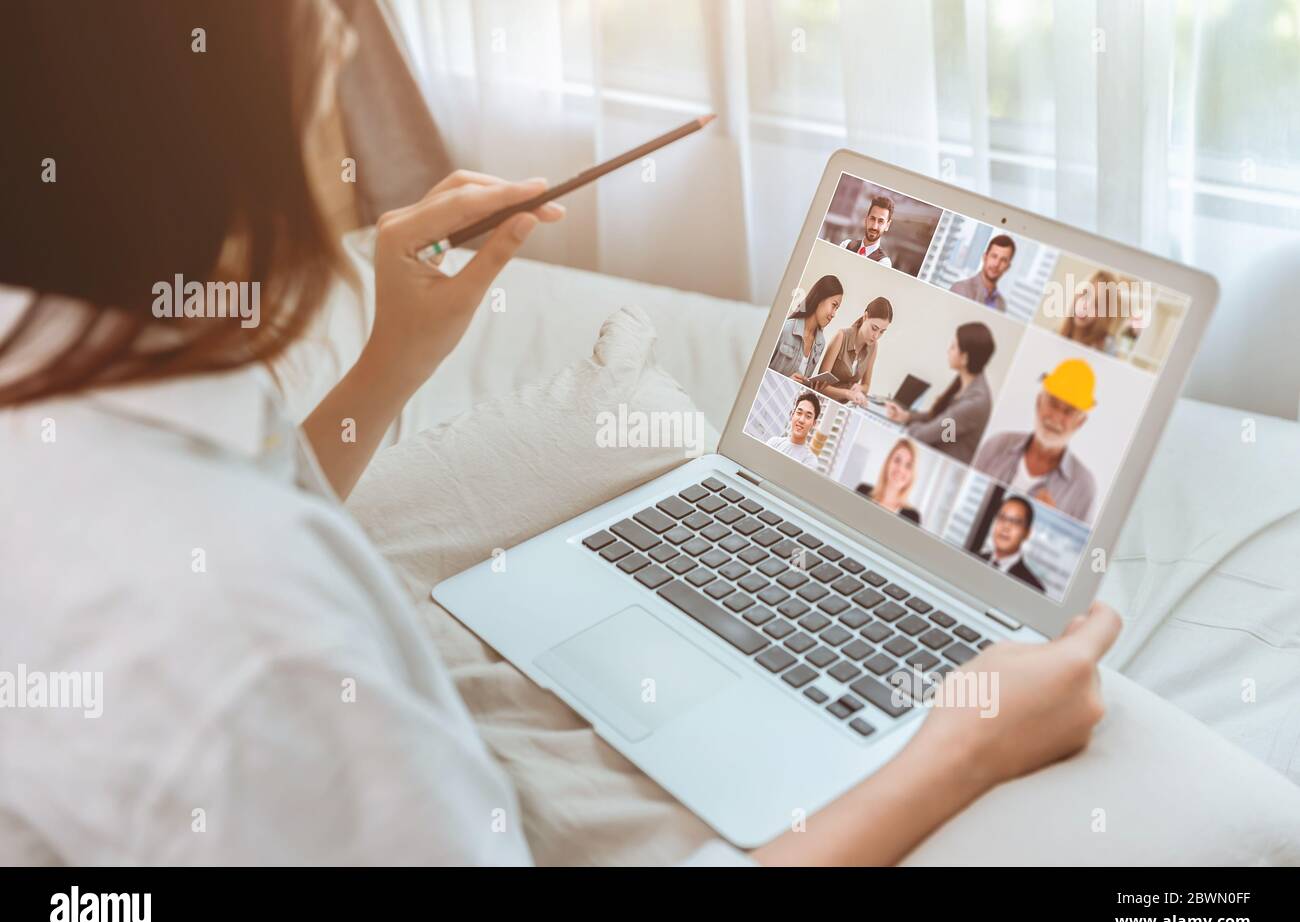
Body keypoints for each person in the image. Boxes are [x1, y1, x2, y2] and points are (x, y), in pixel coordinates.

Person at [1, 0, 1123, 867]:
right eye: (325, 39)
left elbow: (229, 490)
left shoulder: (63, 380)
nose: (341, 64)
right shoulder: (266, 648)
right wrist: (964, 743)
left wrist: (396, 358)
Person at [972, 359, 1099, 523]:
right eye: (1053, 403)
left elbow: (1077, 548)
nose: (1056, 417)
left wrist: (1047, 524)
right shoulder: (995, 446)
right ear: (1039, 402)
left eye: (1069, 411)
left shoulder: (1083, 488)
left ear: (1080, 423)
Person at [884, 322, 995, 465]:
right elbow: (938, 418)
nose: (948, 351)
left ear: (965, 358)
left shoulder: (974, 403)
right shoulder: (966, 382)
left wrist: (911, 426)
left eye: (953, 347)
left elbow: (923, 435)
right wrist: (906, 416)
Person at [814, 296, 893, 405]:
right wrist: (847, 393)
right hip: (822, 403)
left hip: (847, 405)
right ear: (865, 316)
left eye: (882, 332)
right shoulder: (841, 337)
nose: (876, 336)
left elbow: (866, 386)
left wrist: (859, 388)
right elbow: (819, 385)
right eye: (874, 328)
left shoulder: (873, 347)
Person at [768, 274, 843, 383]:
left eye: (837, 308)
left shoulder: (820, 344)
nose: (834, 314)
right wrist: (785, 381)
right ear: (820, 298)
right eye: (833, 305)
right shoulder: (785, 329)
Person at [978, 496, 1046, 592]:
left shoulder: (1033, 588)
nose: (1006, 526)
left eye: (1016, 522)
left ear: (1027, 533)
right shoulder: (975, 558)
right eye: (1002, 518)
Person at [855, 438, 922, 525]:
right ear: (888, 462)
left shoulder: (912, 517)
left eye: (908, 465)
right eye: (897, 460)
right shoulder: (862, 491)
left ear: (912, 474)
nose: (900, 469)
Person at [1058, 269, 1124, 355]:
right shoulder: (1055, 334)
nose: (1086, 307)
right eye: (1085, 294)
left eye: (1097, 305)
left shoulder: (1107, 347)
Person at [948, 234, 1015, 312]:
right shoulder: (961, 288)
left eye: (1003, 260)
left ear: (1007, 267)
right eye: (994, 256)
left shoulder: (1001, 304)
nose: (996, 264)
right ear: (985, 257)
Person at [765, 392, 822, 467]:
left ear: (814, 423)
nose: (801, 420)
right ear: (792, 414)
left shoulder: (810, 461)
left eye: (808, 416)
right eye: (799, 413)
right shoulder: (774, 443)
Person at [837, 195, 894, 267]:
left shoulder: (884, 263)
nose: (874, 226)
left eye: (880, 221)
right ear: (866, 219)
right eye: (872, 219)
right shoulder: (846, 245)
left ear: (887, 226)